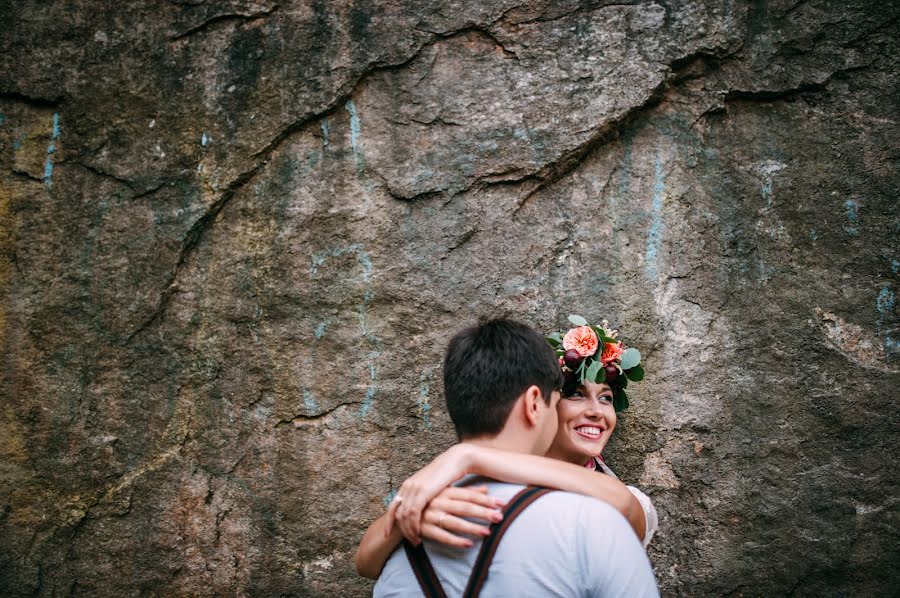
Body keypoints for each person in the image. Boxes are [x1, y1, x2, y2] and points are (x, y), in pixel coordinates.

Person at [367, 318, 659, 597]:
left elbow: (624, 504)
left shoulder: (423, 515)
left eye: (606, 398)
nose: (595, 410)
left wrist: (467, 455)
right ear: (536, 403)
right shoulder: (590, 522)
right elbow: (364, 560)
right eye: (571, 395)